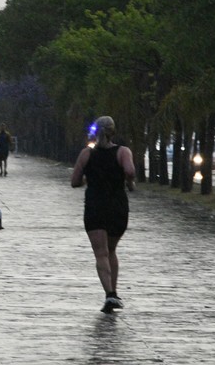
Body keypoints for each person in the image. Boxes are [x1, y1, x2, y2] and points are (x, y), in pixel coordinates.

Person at [70, 115, 135, 313]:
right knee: (111, 250)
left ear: (95, 133)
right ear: (113, 131)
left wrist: (89, 179)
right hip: (117, 207)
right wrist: (128, 182)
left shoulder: (86, 154)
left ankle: (110, 294)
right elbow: (130, 172)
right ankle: (113, 292)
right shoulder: (123, 152)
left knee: (101, 253)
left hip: (95, 207)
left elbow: (74, 181)